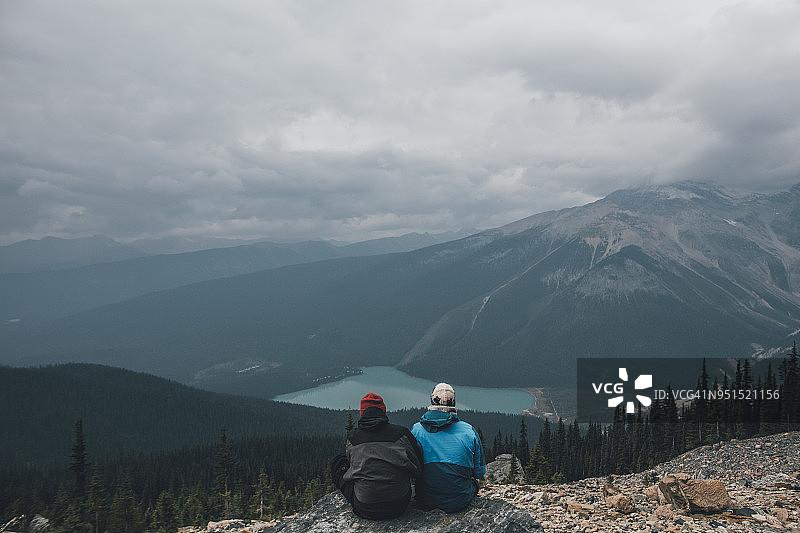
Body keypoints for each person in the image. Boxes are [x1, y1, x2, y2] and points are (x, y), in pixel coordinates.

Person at [330, 392, 424, 520]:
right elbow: (418, 468)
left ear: (362, 413)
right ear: (383, 412)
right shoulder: (401, 433)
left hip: (365, 507)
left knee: (339, 462)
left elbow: (352, 467)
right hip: (399, 505)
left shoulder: (353, 438)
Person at [411, 382, 486, 513]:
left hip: (425, 500)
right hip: (459, 501)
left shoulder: (417, 430)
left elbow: (411, 468)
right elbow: (479, 472)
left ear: (432, 400)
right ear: (453, 402)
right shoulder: (469, 431)